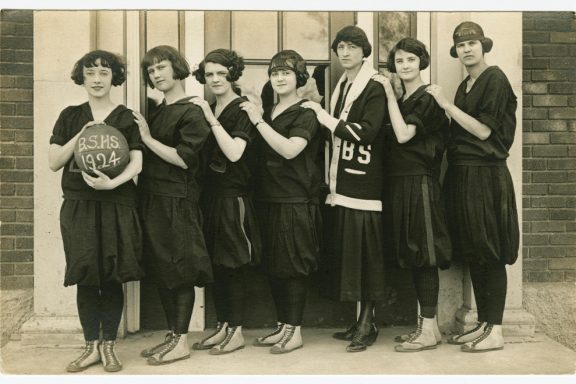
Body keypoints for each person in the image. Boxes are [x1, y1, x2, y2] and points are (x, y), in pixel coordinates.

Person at [48, 50, 144, 373]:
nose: (98, 79)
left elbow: (137, 162)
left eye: (105, 73)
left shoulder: (126, 117)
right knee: (86, 274)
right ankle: (90, 346)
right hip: (79, 203)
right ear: (83, 78)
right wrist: (83, 132)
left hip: (116, 202)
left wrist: (112, 185)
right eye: (91, 73)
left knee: (112, 274)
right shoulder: (70, 115)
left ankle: (110, 348)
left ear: (114, 77)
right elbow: (53, 161)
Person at [426, 21, 519, 353]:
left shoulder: (495, 79)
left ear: (484, 46)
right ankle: (484, 324)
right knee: (476, 252)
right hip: (464, 174)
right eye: (461, 45)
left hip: (486, 174)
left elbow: (482, 132)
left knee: (490, 250)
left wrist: (446, 107)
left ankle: (495, 329)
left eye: (472, 43)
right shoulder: (466, 84)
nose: (466, 49)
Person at [302, 25, 388, 353]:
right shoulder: (342, 83)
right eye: (340, 47)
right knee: (352, 256)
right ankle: (360, 319)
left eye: (352, 47)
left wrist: (322, 116)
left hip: (365, 183)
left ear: (364, 51)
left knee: (367, 257)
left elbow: (365, 133)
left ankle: (369, 322)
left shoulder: (375, 86)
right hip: (343, 182)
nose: (345, 53)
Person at [133, 45, 212, 365]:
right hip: (153, 197)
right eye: (151, 71)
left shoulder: (192, 110)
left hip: (178, 200)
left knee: (179, 270)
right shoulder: (161, 109)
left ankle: (181, 341)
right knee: (163, 269)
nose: (156, 74)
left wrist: (147, 138)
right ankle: (172, 336)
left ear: (177, 68)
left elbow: (183, 159)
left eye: (162, 67)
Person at [372, 38, 452, 352]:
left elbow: (405, 135)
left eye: (411, 60)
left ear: (421, 62)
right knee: (412, 253)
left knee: (424, 254)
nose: (405, 66)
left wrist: (389, 94)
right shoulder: (407, 100)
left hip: (420, 182)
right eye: (400, 61)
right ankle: (425, 327)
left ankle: (430, 329)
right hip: (400, 183)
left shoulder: (427, 97)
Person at [240, 50, 322, 354]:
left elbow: (290, 150)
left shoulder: (307, 111)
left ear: (299, 77)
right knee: (275, 266)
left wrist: (258, 122)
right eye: (275, 73)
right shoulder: (271, 110)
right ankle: (283, 326)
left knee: (292, 267)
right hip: (268, 198)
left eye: (286, 72)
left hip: (294, 200)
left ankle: (296, 330)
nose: (280, 78)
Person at [189, 49, 262, 355]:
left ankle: (237, 331)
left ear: (233, 73)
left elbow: (234, 153)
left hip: (234, 198)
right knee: (217, 266)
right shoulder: (214, 108)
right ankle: (223, 326)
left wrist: (208, 118)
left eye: (221, 73)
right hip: (211, 198)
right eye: (209, 74)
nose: (215, 79)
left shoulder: (242, 109)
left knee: (233, 265)